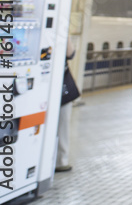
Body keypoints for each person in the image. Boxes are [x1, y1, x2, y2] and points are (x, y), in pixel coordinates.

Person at [57, 35, 79, 172]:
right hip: (61, 88)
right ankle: (60, 161)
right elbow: (70, 53)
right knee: (62, 125)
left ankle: (59, 160)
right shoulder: (61, 30)